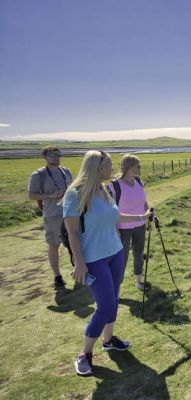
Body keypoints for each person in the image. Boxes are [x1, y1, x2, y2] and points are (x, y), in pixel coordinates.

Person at [63, 150, 152, 376]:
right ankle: (85, 354)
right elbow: (72, 232)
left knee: (113, 300)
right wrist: (79, 263)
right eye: (108, 165)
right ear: (96, 167)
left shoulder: (103, 190)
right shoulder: (75, 194)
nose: (112, 169)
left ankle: (109, 339)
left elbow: (117, 216)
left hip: (115, 253)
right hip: (94, 259)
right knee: (105, 306)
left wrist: (142, 217)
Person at [27, 145, 73, 289]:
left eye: (58, 155)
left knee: (74, 242)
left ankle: (77, 269)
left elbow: (73, 189)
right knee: (54, 245)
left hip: (70, 213)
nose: (56, 157)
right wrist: (50, 195)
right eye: (53, 155)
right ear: (45, 157)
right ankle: (57, 277)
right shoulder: (38, 175)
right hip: (52, 215)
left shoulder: (66, 171)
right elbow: (31, 195)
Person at [107, 154, 149, 290]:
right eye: (138, 166)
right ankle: (117, 288)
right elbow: (110, 210)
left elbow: (144, 201)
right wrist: (115, 229)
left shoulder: (138, 181)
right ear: (129, 167)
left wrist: (148, 214)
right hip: (122, 228)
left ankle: (138, 281)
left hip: (140, 225)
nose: (140, 168)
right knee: (122, 259)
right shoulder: (114, 185)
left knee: (139, 253)